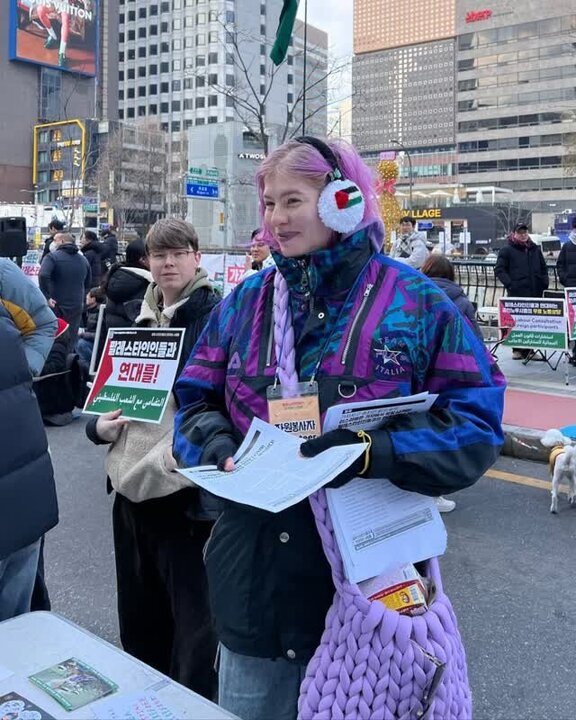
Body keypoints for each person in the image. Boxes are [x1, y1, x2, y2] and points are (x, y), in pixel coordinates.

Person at [172, 136, 505, 720]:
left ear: (343, 200)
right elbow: (195, 397)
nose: (276, 218)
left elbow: (476, 422)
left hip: (371, 588)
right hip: (254, 587)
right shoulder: (244, 303)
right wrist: (218, 444)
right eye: (269, 203)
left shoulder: (418, 303)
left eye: (292, 201)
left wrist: (375, 451)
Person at [85, 218, 221, 698]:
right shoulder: (132, 316)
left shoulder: (215, 316)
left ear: (196, 257)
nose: (167, 263)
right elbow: (103, 398)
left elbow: (223, 404)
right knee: (140, 621)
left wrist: (181, 456)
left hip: (181, 495)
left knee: (193, 632)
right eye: (159, 255)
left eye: (178, 253)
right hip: (127, 490)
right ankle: (146, 702)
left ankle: (189, 706)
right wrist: (96, 428)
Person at [0, 269, 59, 622]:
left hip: (19, 469)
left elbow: (42, 323)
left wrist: (21, 373)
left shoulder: (2, 273)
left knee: (17, 620)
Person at [421, 254, 485, 514]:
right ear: (451, 275)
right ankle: (435, 494)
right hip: (453, 376)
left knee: (418, 430)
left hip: (419, 375)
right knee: (442, 432)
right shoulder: (461, 301)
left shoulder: (413, 294)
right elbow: (476, 341)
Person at [495, 223, 549, 360]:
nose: (523, 234)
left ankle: (529, 350)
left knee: (532, 322)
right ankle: (517, 350)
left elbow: (543, 267)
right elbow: (499, 269)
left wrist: (544, 282)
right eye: (520, 232)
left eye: (525, 232)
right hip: (517, 292)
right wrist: (510, 284)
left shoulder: (534, 249)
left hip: (535, 291)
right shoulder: (507, 250)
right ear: (514, 233)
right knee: (517, 322)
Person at [39, 232, 91, 351]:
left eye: (55, 240)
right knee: (71, 340)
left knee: (54, 337)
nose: (53, 243)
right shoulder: (83, 260)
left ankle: (54, 366)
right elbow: (88, 283)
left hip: (56, 305)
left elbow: (43, 275)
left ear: (61, 241)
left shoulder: (52, 257)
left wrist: (46, 296)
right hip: (76, 306)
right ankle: (68, 364)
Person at [77, 286, 105, 373]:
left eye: (88, 295)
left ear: (93, 299)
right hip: (91, 339)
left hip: (98, 344)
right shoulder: (89, 311)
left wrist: (82, 334)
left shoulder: (102, 312)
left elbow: (101, 334)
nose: (86, 297)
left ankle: (87, 371)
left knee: (81, 344)